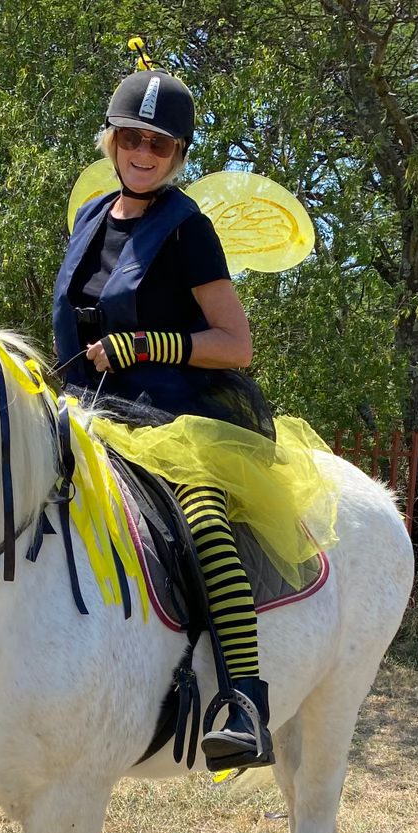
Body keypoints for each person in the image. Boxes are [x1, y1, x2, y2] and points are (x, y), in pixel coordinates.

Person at [51, 65, 281, 771]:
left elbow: (236, 345)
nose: (143, 153)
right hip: (85, 411)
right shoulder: (91, 218)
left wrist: (147, 343)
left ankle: (244, 705)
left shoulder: (189, 231)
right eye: (131, 138)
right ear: (111, 142)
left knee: (205, 522)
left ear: (177, 155)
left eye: (160, 143)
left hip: (173, 418)